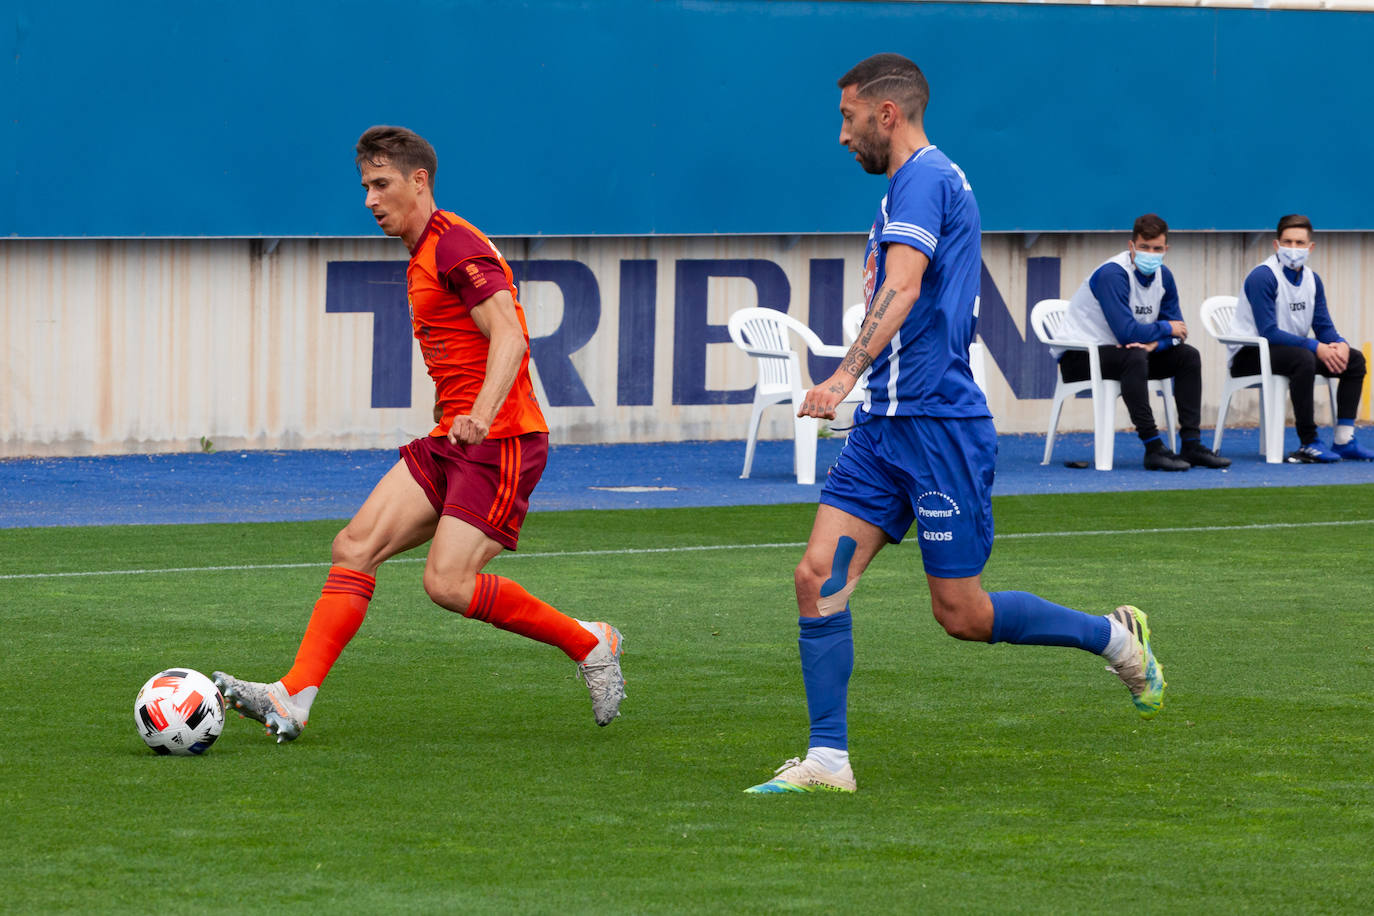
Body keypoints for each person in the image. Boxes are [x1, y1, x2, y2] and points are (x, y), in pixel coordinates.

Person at [744, 54, 1164, 795]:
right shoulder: (909, 186)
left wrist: (842, 374)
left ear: (887, 114)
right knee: (817, 577)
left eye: (846, 117)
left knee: (962, 614)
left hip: (939, 425)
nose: (841, 136)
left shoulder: (927, 179)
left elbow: (903, 288)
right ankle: (828, 761)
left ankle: (1112, 637)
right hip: (886, 428)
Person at [213, 126, 625, 741]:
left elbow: (511, 336)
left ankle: (589, 642)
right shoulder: (423, 250)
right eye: (365, 187)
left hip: (502, 439)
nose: (370, 199)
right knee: (354, 547)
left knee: (447, 584)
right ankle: (294, 695)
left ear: (418, 181)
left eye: (381, 185)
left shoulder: (456, 244)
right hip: (453, 438)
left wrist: (483, 413)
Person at [1056, 214, 1230, 471]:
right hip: (1080, 357)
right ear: (1131, 246)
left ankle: (1191, 445)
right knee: (1134, 357)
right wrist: (1163, 329)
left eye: (1157, 249)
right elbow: (1129, 333)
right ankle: (1153, 447)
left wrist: (1155, 345)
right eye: (1144, 247)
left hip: (1129, 354)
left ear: (1166, 250)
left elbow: (1178, 334)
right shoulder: (1112, 275)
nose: (1151, 253)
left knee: (1188, 356)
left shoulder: (1165, 277)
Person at [1230, 214, 1373, 463]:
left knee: (1354, 359)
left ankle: (1344, 440)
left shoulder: (1312, 280)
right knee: (1304, 359)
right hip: (1251, 354)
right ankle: (1309, 442)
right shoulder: (1262, 276)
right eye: (1287, 242)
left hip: (1291, 352)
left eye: (1299, 243)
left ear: (1310, 247)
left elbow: (1323, 325)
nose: (1293, 249)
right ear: (1276, 245)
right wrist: (1316, 346)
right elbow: (1268, 332)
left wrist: (1337, 343)